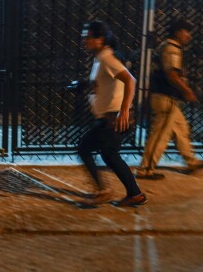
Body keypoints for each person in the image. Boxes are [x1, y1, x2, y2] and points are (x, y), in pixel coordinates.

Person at [77, 21, 147, 207]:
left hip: (114, 118)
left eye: (89, 37)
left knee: (85, 148)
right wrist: (84, 85)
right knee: (110, 155)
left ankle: (105, 191)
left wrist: (124, 111)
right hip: (108, 117)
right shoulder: (100, 58)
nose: (85, 41)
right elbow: (103, 84)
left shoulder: (107, 58)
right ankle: (135, 194)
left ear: (100, 39)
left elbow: (130, 81)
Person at [135, 18, 203, 179]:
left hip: (163, 98)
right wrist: (186, 90)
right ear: (178, 32)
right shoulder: (172, 49)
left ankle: (191, 161)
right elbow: (171, 73)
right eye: (186, 32)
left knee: (181, 129)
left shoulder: (166, 46)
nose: (188, 36)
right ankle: (145, 169)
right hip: (166, 98)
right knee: (160, 135)